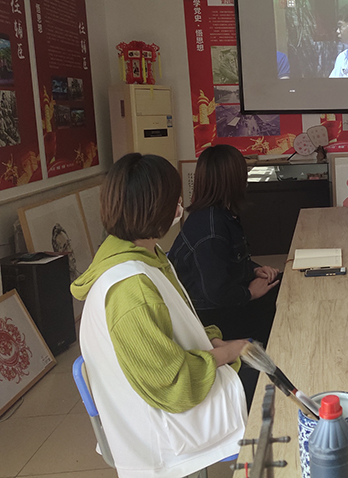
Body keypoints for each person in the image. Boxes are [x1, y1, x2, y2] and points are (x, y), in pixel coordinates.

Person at [71, 153, 246, 478]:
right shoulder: (130, 288)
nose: (180, 206)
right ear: (155, 209)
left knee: (259, 360)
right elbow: (175, 386)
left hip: (173, 388)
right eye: (174, 199)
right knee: (268, 385)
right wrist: (228, 353)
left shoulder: (143, 254)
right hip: (163, 423)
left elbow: (178, 320)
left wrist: (212, 340)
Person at [169, 145, 281, 348]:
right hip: (212, 315)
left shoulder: (218, 214)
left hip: (220, 300)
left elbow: (227, 261)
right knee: (279, 307)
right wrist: (250, 293)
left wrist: (255, 270)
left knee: (280, 285)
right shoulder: (210, 228)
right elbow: (216, 292)